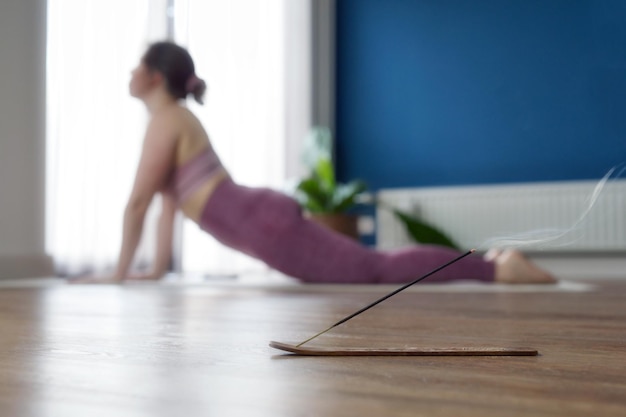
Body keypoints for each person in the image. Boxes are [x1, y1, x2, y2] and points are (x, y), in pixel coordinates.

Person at [93, 41, 556, 285]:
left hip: (267, 225)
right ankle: (492, 264)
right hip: (264, 221)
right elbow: (168, 203)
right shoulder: (173, 119)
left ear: (154, 76)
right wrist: (152, 270)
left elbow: (138, 203)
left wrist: (116, 275)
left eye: (136, 65)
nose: (130, 73)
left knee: (374, 270)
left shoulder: (167, 119)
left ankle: (495, 269)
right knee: (373, 266)